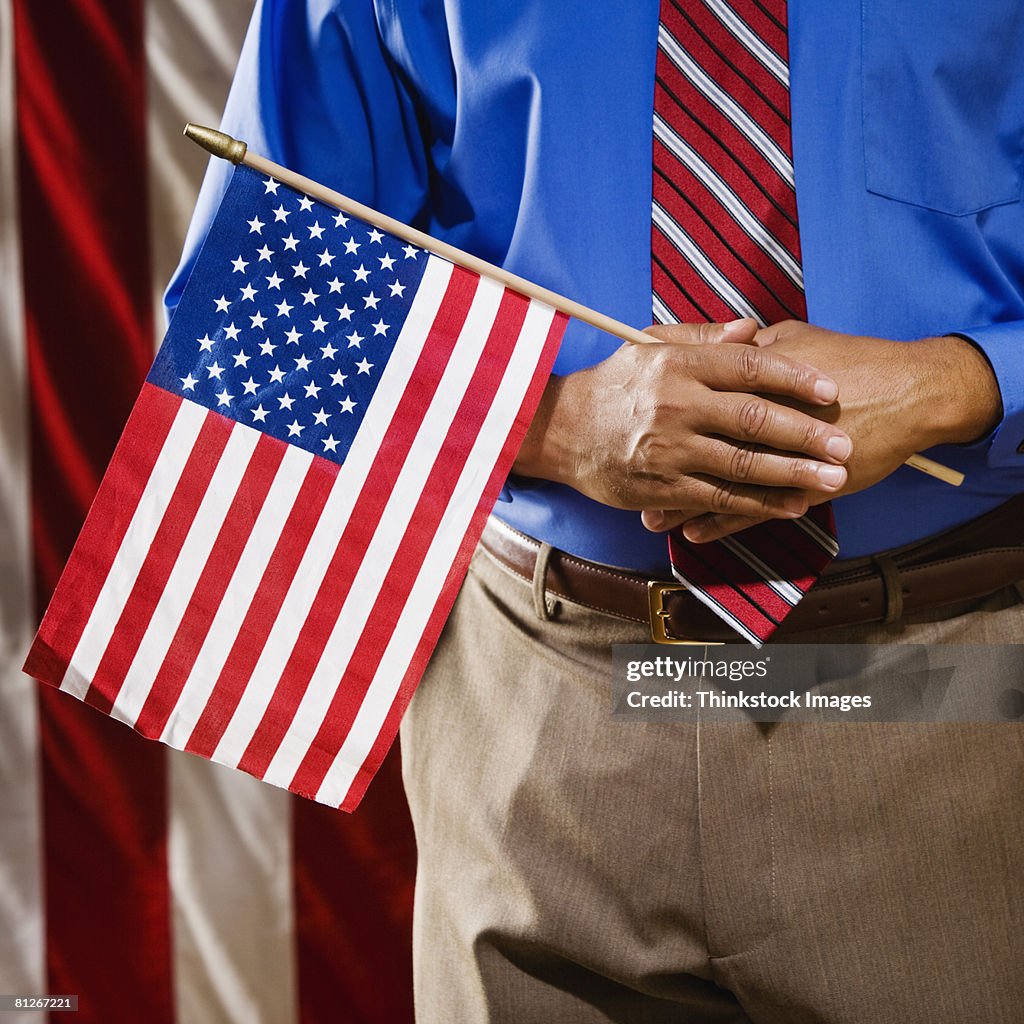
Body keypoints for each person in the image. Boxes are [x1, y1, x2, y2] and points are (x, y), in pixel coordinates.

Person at [169, 2, 1024, 1021]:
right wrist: (556, 421)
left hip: (943, 698)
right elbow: (256, 304)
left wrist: (956, 384)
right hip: (540, 711)